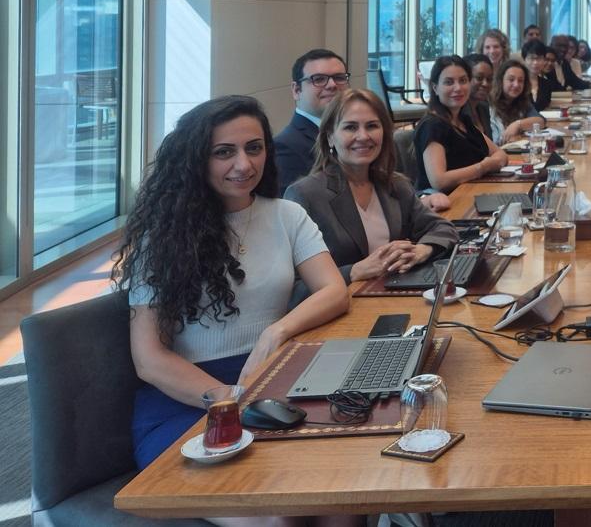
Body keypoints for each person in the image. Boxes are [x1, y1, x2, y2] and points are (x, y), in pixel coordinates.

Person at [113, 96, 350, 478]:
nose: (244, 164)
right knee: (254, 498)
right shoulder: (160, 237)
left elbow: (334, 291)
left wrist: (275, 333)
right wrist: (232, 399)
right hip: (188, 397)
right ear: (196, 159)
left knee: (331, 481)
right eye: (224, 152)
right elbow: (149, 359)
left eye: (254, 148)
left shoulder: (287, 215)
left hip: (274, 378)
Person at [285, 89, 458, 284]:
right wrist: (353, 272)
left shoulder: (396, 185)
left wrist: (421, 250)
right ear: (330, 137)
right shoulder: (304, 194)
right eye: (351, 127)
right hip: (344, 300)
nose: (363, 136)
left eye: (372, 126)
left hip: (392, 293)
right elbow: (291, 285)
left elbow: (443, 228)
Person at [414, 55, 509, 194]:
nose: (458, 88)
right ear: (435, 88)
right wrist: (483, 167)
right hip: (447, 201)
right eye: (449, 82)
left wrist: (489, 164)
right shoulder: (432, 125)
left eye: (463, 81)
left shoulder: (463, 121)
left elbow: (501, 154)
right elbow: (439, 181)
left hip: (474, 193)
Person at [273, 48, 349, 185]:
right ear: (297, 90)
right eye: (318, 79)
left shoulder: (356, 135)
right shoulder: (285, 147)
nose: (332, 85)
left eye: (339, 78)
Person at [491, 59, 545, 142]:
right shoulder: (489, 104)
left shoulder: (522, 101)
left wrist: (517, 124)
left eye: (520, 81)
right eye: (511, 79)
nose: (516, 84)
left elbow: (540, 121)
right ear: (501, 81)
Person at [462, 52, 496, 141]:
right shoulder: (458, 111)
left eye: (489, 79)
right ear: (465, 79)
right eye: (479, 78)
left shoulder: (484, 107)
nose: (485, 84)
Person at [522, 40, 556, 111]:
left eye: (539, 58)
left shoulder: (546, 84)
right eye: (531, 58)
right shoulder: (519, 83)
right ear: (524, 60)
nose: (535, 63)